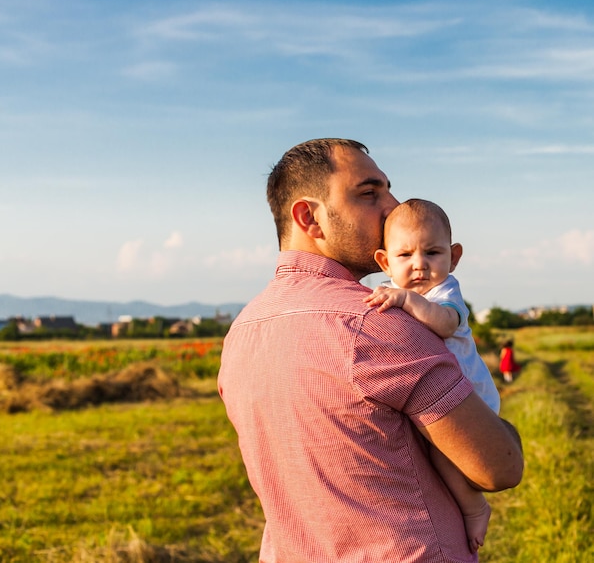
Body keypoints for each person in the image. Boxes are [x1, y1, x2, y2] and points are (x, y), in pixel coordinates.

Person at [218, 138, 523, 562]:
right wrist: (502, 433)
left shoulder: (242, 332)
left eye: (388, 189)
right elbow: (499, 466)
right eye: (369, 192)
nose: (392, 205)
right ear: (310, 217)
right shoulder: (379, 325)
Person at [364, 198, 500, 552]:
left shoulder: (445, 293)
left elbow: (445, 322)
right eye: (405, 255)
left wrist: (407, 302)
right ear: (384, 261)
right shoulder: (401, 293)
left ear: (453, 257)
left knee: (443, 452)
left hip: (471, 397)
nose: (420, 265)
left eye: (433, 253)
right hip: (445, 395)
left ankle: (475, 508)